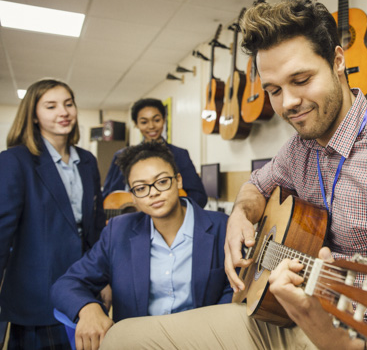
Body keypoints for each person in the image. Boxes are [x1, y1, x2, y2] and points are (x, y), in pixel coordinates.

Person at [100, 0, 367, 350]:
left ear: (338, 61)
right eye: (274, 90)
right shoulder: (299, 148)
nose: (288, 104)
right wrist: (240, 217)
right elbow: (256, 186)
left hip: (364, 335)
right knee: (122, 338)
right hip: (283, 315)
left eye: (301, 80)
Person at [52, 141, 232, 350]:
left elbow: (237, 287)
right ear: (133, 197)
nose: (153, 193)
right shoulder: (118, 232)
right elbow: (67, 284)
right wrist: (89, 308)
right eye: (141, 188)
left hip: (203, 343)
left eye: (162, 181)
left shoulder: (222, 226)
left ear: (178, 181)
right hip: (139, 343)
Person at [0, 78, 106, 349]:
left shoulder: (87, 161)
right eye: (51, 106)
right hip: (37, 295)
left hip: (84, 291)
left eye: (68, 104)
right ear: (33, 115)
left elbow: (94, 229)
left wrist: (106, 279)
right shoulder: (15, 160)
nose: (63, 112)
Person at [102, 98, 208, 208]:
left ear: (164, 120)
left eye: (156, 120)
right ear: (136, 124)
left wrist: (175, 212)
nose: (151, 126)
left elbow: (199, 196)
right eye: (144, 122)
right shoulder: (122, 156)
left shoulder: (179, 154)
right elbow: (108, 196)